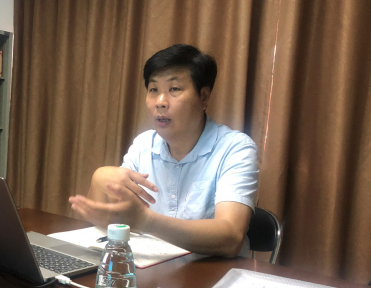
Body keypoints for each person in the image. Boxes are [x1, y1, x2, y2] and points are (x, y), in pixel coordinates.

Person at [69, 44, 258, 258]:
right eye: (153, 90)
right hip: (150, 268)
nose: (160, 102)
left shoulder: (235, 148)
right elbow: (110, 223)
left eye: (174, 89)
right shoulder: (143, 145)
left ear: (204, 97)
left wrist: (146, 221)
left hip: (211, 273)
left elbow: (231, 237)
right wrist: (98, 179)